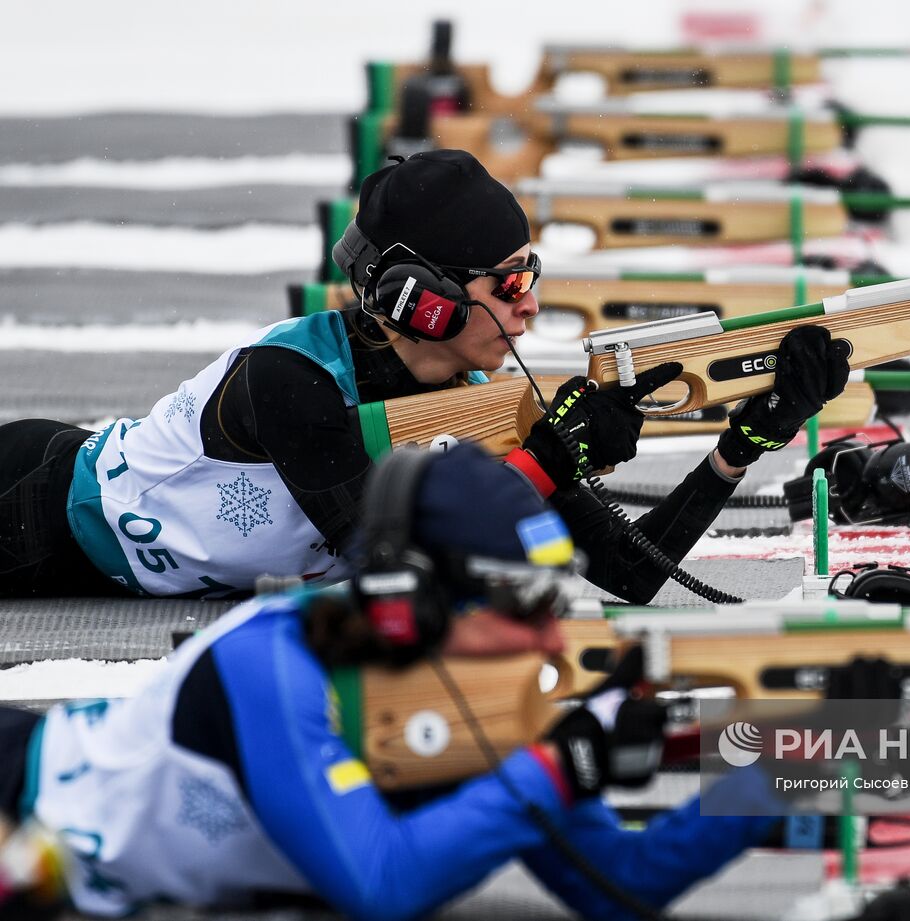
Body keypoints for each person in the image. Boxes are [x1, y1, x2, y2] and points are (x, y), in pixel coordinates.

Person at [0, 149, 851, 601]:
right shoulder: (288, 380)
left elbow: (627, 573)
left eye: (533, 275)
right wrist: (553, 460)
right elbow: (385, 555)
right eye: (508, 283)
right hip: (33, 511)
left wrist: (743, 444)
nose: (529, 307)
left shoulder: (476, 407)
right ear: (426, 299)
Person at [0, 444, 789, 920]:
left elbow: (620, 884)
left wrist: (784, 771)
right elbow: (379, 884)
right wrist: (557, 767)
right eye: (523, 601)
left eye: (557, 599)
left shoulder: (481, 691)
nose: (552, 633)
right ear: (417, 596)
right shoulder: (272, 660)